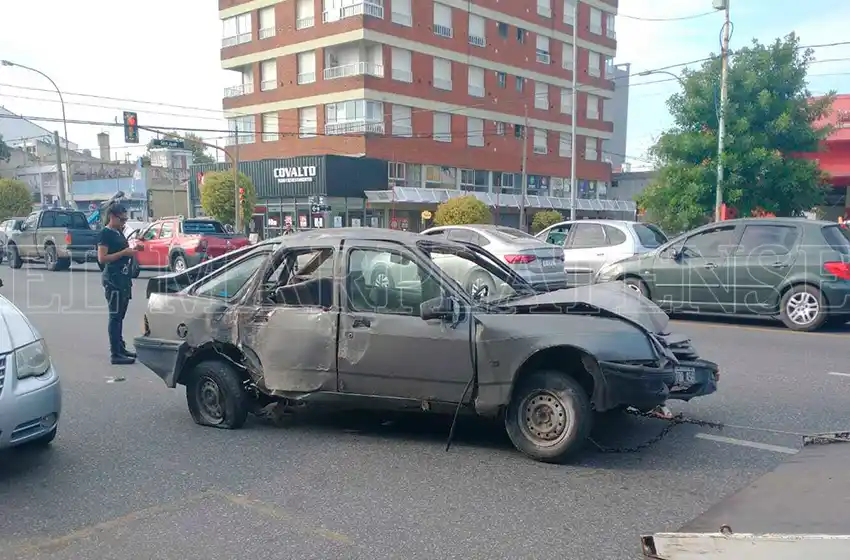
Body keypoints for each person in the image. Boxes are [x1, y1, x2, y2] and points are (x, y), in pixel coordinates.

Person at [97, 202, 140, 364]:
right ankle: (115, 353)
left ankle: (120, 347)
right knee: (115, 317)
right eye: (121, 220)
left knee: (120, 316)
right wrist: (124, 252)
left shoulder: (119, 232)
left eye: (125, 220)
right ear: (112, 217)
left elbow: (125, 252)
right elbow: (102, 258)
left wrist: (134, 250)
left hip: (123, 279)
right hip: (113, 279)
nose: (124, 223)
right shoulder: (105, 234)